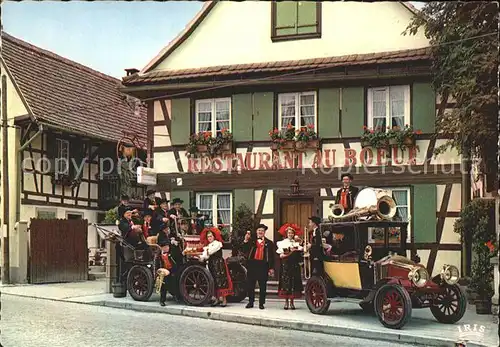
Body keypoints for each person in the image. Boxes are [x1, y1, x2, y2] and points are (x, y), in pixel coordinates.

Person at [241, 224, 275, 310]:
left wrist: (271, 268)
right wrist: (245, 240)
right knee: (250, 285)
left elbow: (272, 257)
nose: (260, 232)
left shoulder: (269, 243)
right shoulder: (251, 241)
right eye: (259, 230)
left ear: (264, 232)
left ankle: (261, 303)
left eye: (262, 231)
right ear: (256, 231)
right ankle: (250, 302)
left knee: (262, 285)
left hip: (263, 265)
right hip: (252, 264)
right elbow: (244, 249)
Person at [199, 227, 234, 307]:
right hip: (212, 264)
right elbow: (205, 255)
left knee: (221, 281)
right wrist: (201, 257)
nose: (209, 238)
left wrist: (204, 255)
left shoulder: (217, 244)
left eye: (211, 236)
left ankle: (224, 299)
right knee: (214, 280)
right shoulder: (208, 246)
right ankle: (217, 299)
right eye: (208, 237)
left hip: (219, 264)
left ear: (214, 236)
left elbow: (210, 252)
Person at [276, 223, 304, 310]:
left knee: (293, 283)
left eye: (292, 233)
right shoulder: (282, 243)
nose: (290, 234)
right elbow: (280, 255)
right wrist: (285, 254)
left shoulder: (297, 243)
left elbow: (301, 253)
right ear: (286, 234)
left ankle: (292, 302)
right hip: (286, 265)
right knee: (286, 283)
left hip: (294, 265)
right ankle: (286, 302)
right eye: (289, 233)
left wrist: (299, 244)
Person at [155, 238, 176, 307]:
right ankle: (162, 300)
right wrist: (160, 271)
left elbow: (174, 263)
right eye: (165, 247)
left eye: (168, 247)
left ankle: (175, 294)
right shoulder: (158, 256)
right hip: (163, 272)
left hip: (171, 270)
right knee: (164, 284)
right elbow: (157, 266)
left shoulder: (170, 254)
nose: (167, 248)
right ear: (162, 248)